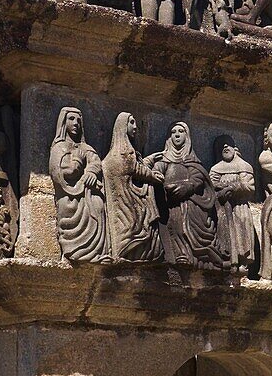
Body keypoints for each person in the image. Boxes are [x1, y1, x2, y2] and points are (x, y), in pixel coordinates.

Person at [145, 122, 226, 269]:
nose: (176, 134)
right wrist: (157, 175)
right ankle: (181, 254)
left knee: (187, 224)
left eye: (181, 131)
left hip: (190, 204)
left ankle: (196, 254)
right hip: (171, 203)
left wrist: (187, 187)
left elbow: (198, 179)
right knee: (176, 225)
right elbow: (156, 171)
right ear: (169, 137)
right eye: (173, 132)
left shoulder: (193, 161)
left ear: (187, 136)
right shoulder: (163, 160)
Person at [48, 107, 109, 263]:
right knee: (67, 209)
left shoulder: (85, 147)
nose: (76, 123)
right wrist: (78, 162)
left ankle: (96, 252)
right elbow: (63, 173)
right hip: (69, 196)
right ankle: (73, 251)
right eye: (71, 119)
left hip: (87, 194)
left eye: (79, 121)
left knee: (98, 204)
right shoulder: (59, 148)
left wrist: (91, 173)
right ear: (63, 122)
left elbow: (95, 161)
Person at [102, 113, 164, 262]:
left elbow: (134, 167)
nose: (135, 127)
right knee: (134, 227)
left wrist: (148, 162)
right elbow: (133, 169)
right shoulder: (123, 151)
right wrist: (152, 176)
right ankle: (133, 253)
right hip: (127, 199)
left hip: (123, 199)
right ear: (123, 127)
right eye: (131, 123)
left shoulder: (118, 152)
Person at [209, 136, 257, 273]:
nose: (225, 147)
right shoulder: (215, 169)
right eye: (221, 146)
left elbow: (250, 188)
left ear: (235, 148)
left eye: (228, 145)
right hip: (222, 208)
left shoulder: (244, 166)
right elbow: (210, 188)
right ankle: (226, 260)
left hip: (240, 207)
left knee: (242, 232)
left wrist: (232, 188)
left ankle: (243, 263)